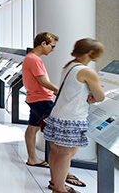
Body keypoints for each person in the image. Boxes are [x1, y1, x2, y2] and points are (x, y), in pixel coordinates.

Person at [21, 32, 85, 188]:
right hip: (41, 100)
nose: (53, 49)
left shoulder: (30, 58)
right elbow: (42, 81)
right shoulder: (34, 59)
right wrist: (60, 90)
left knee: (33, 127)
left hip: (34, 99)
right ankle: (63, 174)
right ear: (43, 44)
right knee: (61, 137)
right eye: (52, 46)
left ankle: (32, 158)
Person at [44, 38, 105, 193]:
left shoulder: (69, 66)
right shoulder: (87, 71)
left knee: (56, 151)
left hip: (58, 114)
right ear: (91, 53)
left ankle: (55, 182)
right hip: (72, 118)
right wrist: (92, 96)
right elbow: (100, 97)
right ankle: (59, 188)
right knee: (65, 154)